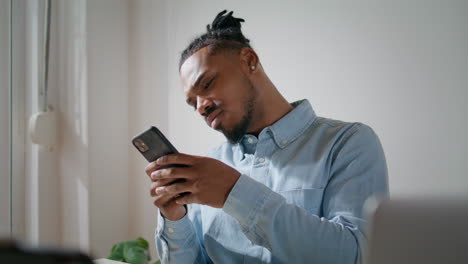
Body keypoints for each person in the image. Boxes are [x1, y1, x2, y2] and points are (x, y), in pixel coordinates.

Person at [145, 10, 388, 264]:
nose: (200, 107)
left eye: (206, 84)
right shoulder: (208, 166)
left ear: (249, 61)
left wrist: (233, 191)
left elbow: (355, 256)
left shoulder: (348, 143)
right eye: (192, 103)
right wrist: (175, 218)